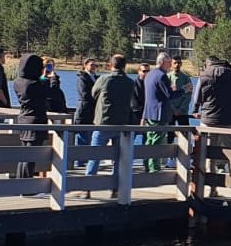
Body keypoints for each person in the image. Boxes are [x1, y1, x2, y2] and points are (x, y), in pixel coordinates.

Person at [84, 55, 134, 196]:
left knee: (95, 155)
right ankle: (115, 189)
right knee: (118, 158)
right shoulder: (130, 82)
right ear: (124, 66)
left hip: (103, 122)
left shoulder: (104, 79)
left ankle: (87, 188)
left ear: (110, 65)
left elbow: (94, 93)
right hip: (122, 123)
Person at [13, 53, 51, 180]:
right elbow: (48, 93)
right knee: (31, 155)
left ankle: (20, 182)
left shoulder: (18, 82)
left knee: (24, 154)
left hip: (23, 119)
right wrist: (51, 79)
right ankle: (26, 187)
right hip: (35, 121)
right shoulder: (33, 84)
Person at [142, 53, 175, 173]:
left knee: (149, 140)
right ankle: (154, 168)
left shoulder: (149, 74)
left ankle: (147, 164)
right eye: (168, 62)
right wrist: (183, 90)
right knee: (157, 141)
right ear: (161, 62)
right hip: (159, 113)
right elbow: (169, 95)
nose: (170, 65)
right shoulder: (162, 76)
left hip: (150, 113)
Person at [196, 57, 231, 128]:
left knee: (206, 138)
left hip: (208, 121)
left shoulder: (204, 75)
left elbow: (197, 99)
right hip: (229, 122)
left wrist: (195, 110)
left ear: (207, 65)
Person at [73, 58, 98, 149]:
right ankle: (80, 161)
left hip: (93, 113)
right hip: (84, 111)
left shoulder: (96, 78)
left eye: (95, 65)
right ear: (85, 65)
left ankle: (86, 160)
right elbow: (84, 94)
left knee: (91, 139)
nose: (94, 67)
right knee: (83, 138)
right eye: (91, 65)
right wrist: (96, 99)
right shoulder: (82, 78)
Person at [168, 57, 193, 126]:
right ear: (171, 64)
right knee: (169, 135)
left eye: (178, 63)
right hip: (170, 112)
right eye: (175, 63)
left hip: (183, 112)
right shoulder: (167, 77)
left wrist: (180, 109)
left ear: (181, 64)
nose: (177, 65)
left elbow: (188, 96)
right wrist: (173, 109)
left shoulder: (186, 78)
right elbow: (165, 95)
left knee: (185, 134)